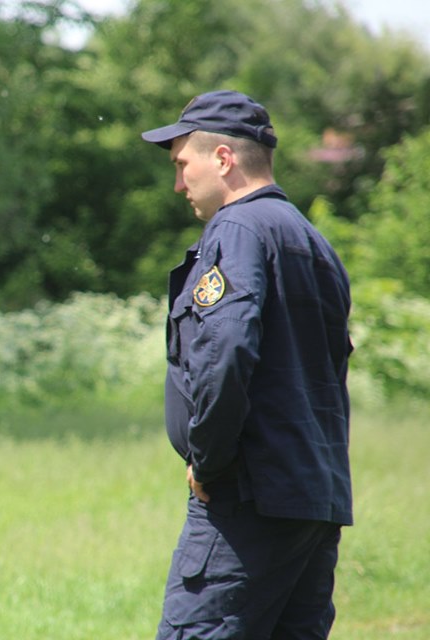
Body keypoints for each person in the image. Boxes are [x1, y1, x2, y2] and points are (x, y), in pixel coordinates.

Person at [141, 90, 354, 639]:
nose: (177, 183)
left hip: (249, 499)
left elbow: (226, 349)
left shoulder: (237, 231)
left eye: (182, 164)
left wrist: (209, 461)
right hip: (313, 496)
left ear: (223, 159)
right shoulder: (312, 242)